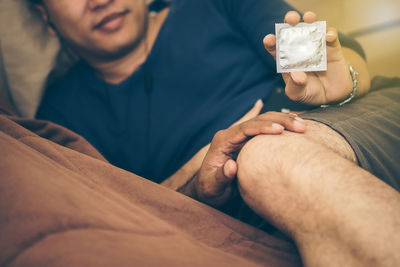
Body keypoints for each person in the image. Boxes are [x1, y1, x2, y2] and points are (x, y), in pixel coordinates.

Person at [29, 0, 400, 265]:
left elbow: (323, 57)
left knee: (266, 157)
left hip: (348, 118)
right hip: (241, 213)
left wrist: (342, 80)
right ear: (46, 17)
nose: (100, 1)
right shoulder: (57, 116)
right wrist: (194, 179)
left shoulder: (213, 5)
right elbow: (103, 226)